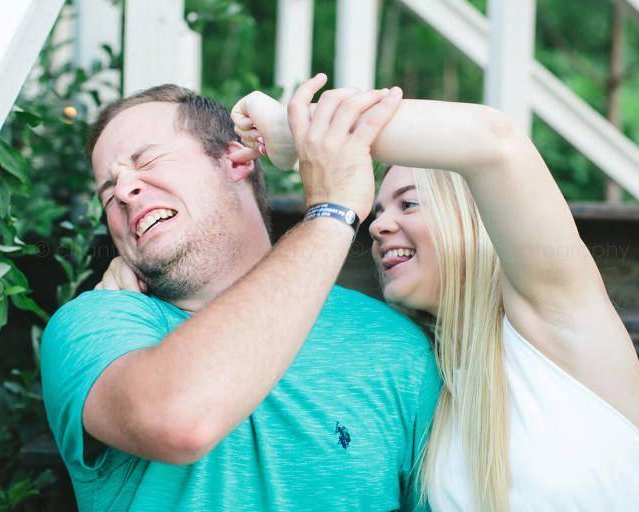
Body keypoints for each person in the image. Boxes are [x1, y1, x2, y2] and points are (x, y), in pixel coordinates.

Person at [223, 82, 639, 511]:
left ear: (472, 220)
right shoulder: (428, 391)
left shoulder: (560, 321)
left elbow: (493, 141)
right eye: (378, 210)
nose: (378, 226)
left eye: (408, 203)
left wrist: (298, 130)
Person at [40, 75, 441, 511]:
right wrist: (332, 210)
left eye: (149, 160)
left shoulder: (392, 344)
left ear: (236, 159)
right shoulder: (93, 329)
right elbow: (178, 419)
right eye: (107, 192)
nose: (122, 191)